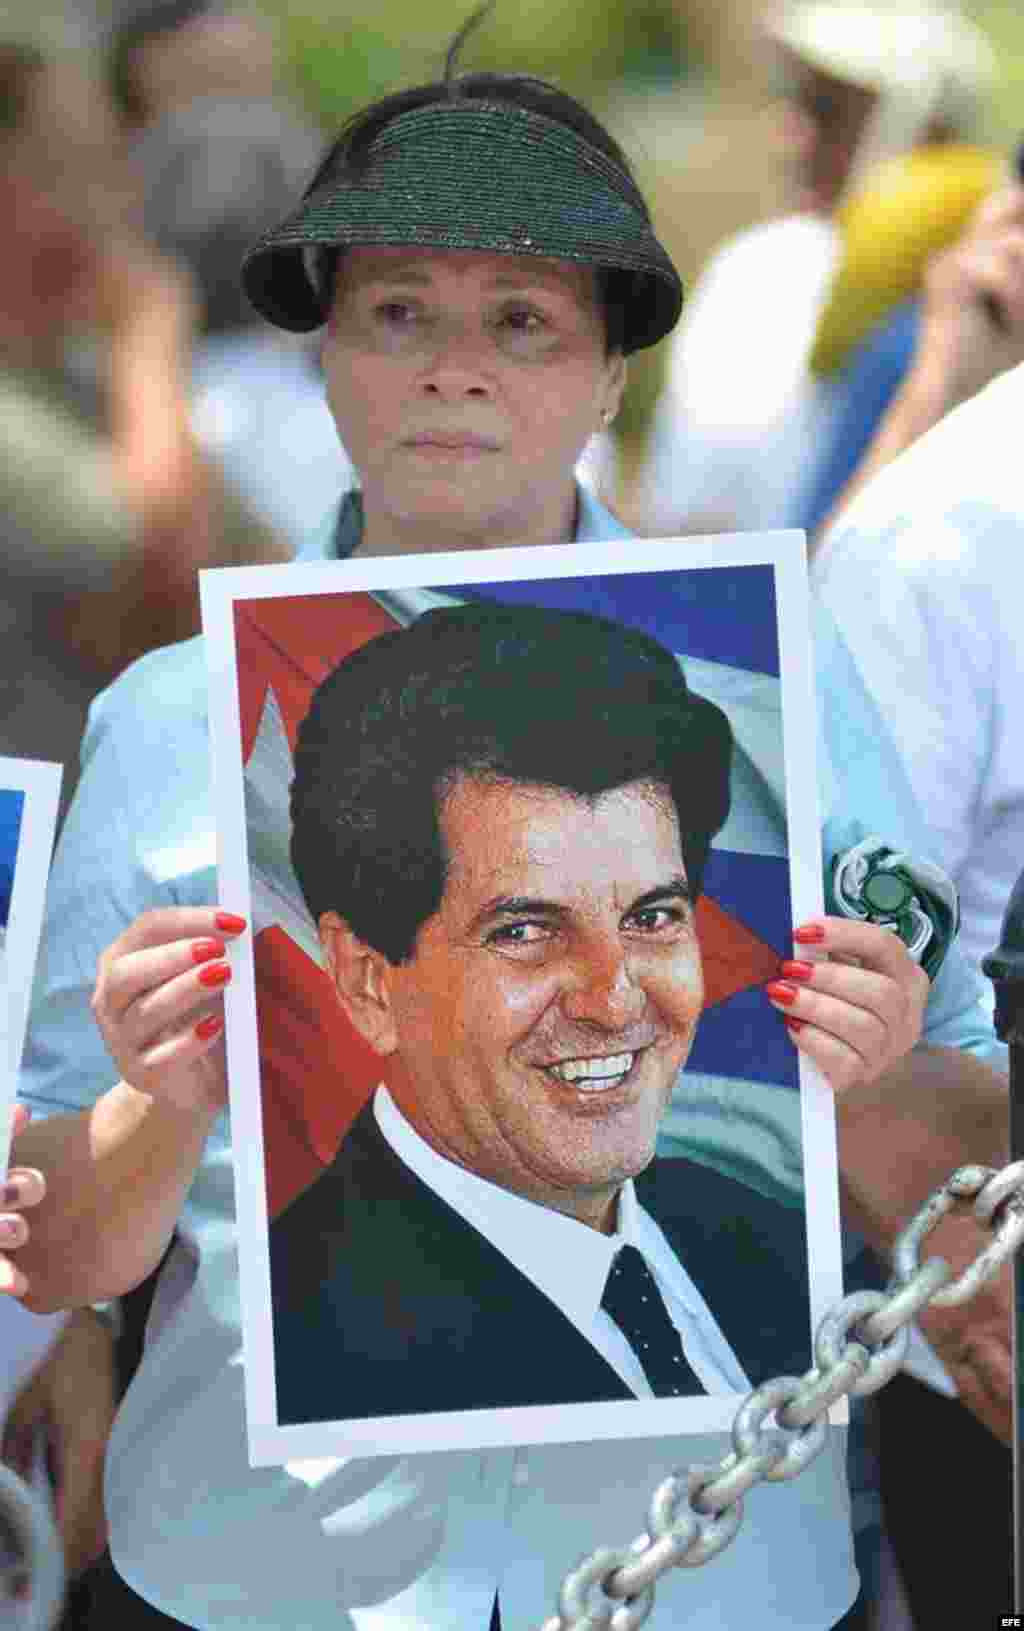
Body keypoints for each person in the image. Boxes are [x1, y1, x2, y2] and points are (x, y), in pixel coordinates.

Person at [8, 45, 1008, 1631]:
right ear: (327, 352)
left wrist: (873, 1070)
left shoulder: (786, 690)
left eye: (523, 320)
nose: (453, 369)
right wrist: (157, 1099)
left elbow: (965, 1186)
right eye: (399, 312)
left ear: (613, 374)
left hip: (716, 1581)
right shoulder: (168, 718)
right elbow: (51, 1245)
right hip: (263, 1584)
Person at [268, 602, 818, 1426]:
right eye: (525, 931)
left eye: (651, 917)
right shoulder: (306, 1358)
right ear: (368, 981)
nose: (614, 999)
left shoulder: (763, 1244)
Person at [632, 0, 997, 537]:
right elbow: (678, 524)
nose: (793, 134)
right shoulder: (751, 272)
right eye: (798, 102)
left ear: (927, 130)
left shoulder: (993, 295)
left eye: (828, 110)